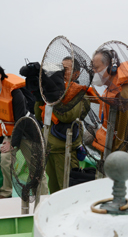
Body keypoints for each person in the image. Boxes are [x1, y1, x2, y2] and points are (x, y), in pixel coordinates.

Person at [0, 62, 47, 199]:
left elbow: (20, 120)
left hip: (28, 133)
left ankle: (43, 196)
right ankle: (5, 193)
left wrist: (12, 144)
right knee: (5, 160)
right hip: (10, 133)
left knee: (36, 168)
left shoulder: (15, 93)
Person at [38, 57, 91, 193]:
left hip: (66, 150)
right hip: (50, 149)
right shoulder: (53, 91)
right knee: (54, 190)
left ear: (76, 74)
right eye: (60, 68)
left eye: (65, 69)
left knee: (67, 190)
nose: (61, 72)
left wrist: (56, 96)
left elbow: (68, 116)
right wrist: (41, 96)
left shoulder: (79, 93)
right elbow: (39, 116)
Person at [89, 49, 128, 156]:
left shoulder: (124, 93)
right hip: (110, 149)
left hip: (125, 158)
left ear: (110, 68)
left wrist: (117, 159)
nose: (93, 72)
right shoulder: (110, 90)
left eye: (96, 68)